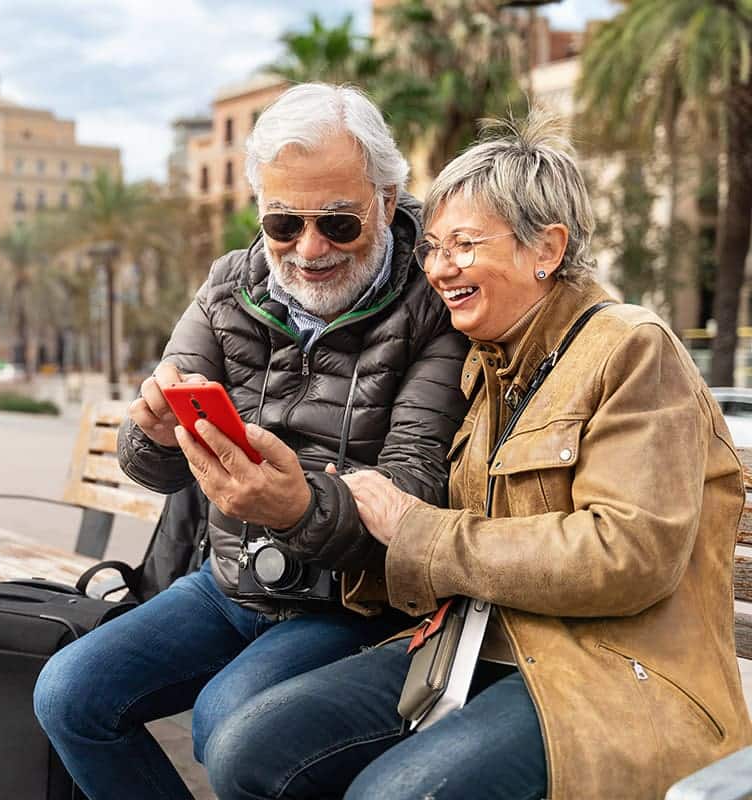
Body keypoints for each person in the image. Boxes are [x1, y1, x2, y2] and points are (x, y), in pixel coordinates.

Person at [202, 111, 752, 800]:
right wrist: (317, 512)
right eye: (431, 247)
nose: (437, 269)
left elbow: (628, 555)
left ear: (545, 248)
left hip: (613, 677)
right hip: (476, 647)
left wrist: (418, 531)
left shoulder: (632, 349)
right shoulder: (487, 364)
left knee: (395, 795)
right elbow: (434, 523)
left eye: (463, 245)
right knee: (246, 748)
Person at [33, 83, 469, 799]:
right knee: (68, 695)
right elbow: (151, 467)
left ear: (388, 202)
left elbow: (413, 486)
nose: (308, 248)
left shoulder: (431, 305)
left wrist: (297, 508)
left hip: (352, 602)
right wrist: (152, 433)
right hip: (227, 581)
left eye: (338, 223)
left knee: (226, 720)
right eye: (282, 222)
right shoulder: (230, 285)